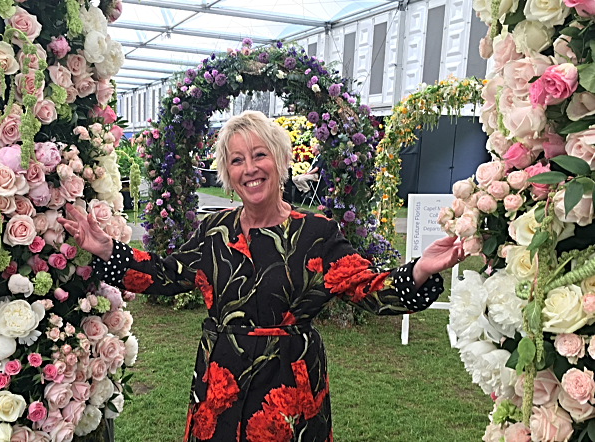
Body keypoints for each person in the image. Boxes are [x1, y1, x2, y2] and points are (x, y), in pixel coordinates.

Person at [59, 110, 464, 442]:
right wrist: (109, 250)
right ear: (227, 173)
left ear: (281, 160)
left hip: (289, 383)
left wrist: (420, 270)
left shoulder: (316, 233)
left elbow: (367, 288)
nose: (249, 169)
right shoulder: (214, 230)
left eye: (259, 155)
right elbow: (167, 274)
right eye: (237, 160)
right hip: (220, 381)